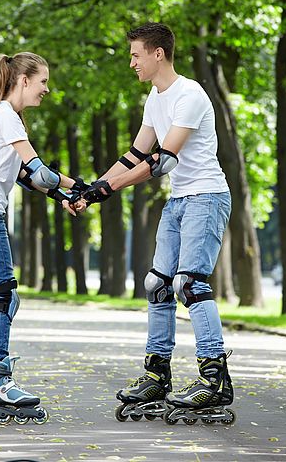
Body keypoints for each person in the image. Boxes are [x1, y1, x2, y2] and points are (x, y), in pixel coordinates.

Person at [76, 23, 234, 423]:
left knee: (190, 284)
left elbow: (162, 161)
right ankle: (157, 374)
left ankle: (214, 377)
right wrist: (91, 189)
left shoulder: (190, 95)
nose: (132, 63)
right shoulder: (154, 98)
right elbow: (134, 155)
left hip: (206, 196)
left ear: (157, 54)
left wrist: (106, 191)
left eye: (135, 55)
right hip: (179, 200)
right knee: (157, 284)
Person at [0, 51, 86, 424]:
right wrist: (83, 189)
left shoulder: (3, 115)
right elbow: (38, 172)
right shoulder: (6, 115)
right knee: (4, 295)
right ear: (23, 80)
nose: (47, 89)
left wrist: (65, 196)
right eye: (43, 81)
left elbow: (25, 177)